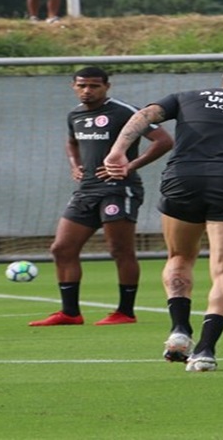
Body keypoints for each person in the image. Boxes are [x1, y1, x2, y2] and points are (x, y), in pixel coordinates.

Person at [104, 68, 223, 372]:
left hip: (183, 178)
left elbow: (145, 115)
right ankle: (205, 351)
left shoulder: (188, 97)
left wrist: (117, 152)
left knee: (179, 256)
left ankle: (180, 330)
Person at [30, 67, 174, 327]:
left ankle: (125, 312)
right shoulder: (75, 114)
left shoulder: (123, 111)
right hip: (86, 190)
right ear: (73, 86)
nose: (87, 90)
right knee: (62, 249)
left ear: (107, 86)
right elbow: (72, 142)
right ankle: (70, 313)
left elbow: (163, 140)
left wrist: (130, 166)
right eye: (82, 85)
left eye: (94, 86)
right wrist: (75, 165)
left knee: (120, 250)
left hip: (119, 189)